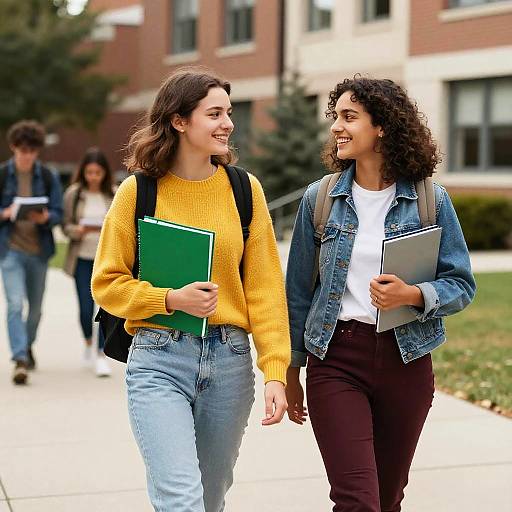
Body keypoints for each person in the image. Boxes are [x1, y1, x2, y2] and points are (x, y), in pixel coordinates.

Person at [91, 68, 290, 511]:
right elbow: (106, 282)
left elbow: (264, 288)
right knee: (181, 501)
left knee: (210, 499)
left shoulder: (244, 190)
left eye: (229, 113)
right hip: (158, 358)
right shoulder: (137, 192)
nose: (228, 124)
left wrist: (275, 367)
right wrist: (168, 299)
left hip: (230, 363)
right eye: (214, 113)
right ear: (179, 121)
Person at [285, 77, 476, 512]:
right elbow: (297, 292)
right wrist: (292, 368)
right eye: (336, 117)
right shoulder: (320, 200)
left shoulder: (430, 199)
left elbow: (461, 284)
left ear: (382, 127)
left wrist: (413, 294)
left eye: (349, 117)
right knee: (358, 501)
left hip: (406, 360)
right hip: (336, 358)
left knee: (387, 500)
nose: (337, 127)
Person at [0, 120, 63, 385]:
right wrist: (5, 213)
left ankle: (26, 345)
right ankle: (20, 359)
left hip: (39, 251)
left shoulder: (48, 177)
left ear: (37, 150)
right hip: (10, 250)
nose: (26, 155)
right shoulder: (3, 175)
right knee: (15, 304)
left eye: (32, 150)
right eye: (22, 149)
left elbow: (59, 213)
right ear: (13, 147)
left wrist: (46, 217)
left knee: (35, 310)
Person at [62, 147, 114, 377]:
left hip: (105, 260)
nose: (93, 176)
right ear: (83, 172)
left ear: (104, 173)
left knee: (105, 309)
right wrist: (78, 230)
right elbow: (65, 226)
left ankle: (101, 354)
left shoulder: (113, 194)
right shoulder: (74, 194)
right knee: (85, 309)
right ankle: (87, 342)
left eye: (98, 172)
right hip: (82, 260)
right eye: (89, 172)